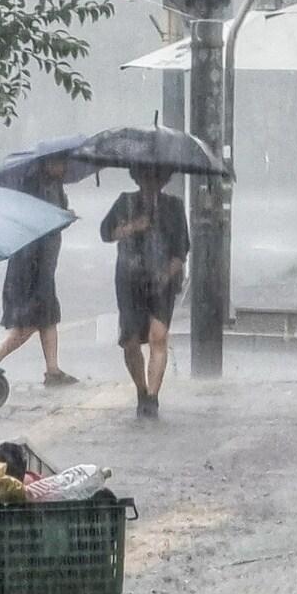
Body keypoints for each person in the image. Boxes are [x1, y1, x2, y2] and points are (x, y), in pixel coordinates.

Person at [101, 166, 189, 419]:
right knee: (130, 341)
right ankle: (141, 389)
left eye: (156, 177)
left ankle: (152, 396)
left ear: (164, 179)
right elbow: (106, 233)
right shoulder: (125, 202)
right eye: (145, 177)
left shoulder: (174, 207)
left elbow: (181, 250)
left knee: (158, 337)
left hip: (162, 282)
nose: (151, 182)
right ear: (137, 178)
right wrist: (132, 227)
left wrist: (166, 274)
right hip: (129, 281)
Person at [0, 157, 78, 386]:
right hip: (29, 264)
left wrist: (66, 216)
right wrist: (60, 218)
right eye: (61, 162)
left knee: (49, 316)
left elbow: (55, 217)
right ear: (47, 163)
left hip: (46, 263)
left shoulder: (55, 185)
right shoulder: (30, 187)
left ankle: (53, 370)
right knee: (29, 321)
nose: (64, 167)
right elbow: (37, 221)